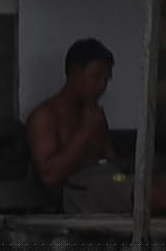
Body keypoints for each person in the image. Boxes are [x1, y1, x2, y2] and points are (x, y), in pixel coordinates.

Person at [19, 36, 124, 199]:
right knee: (159, 195)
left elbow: (112, 165)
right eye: (96, 77)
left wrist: (121, 177)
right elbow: (50, 177)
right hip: (79, 192)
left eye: (107, 79)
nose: (102, 85)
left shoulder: (94, 114)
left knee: (164, 184)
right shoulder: (45, 116)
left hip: (110, 183)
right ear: (74, 73)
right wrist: (85, 131)